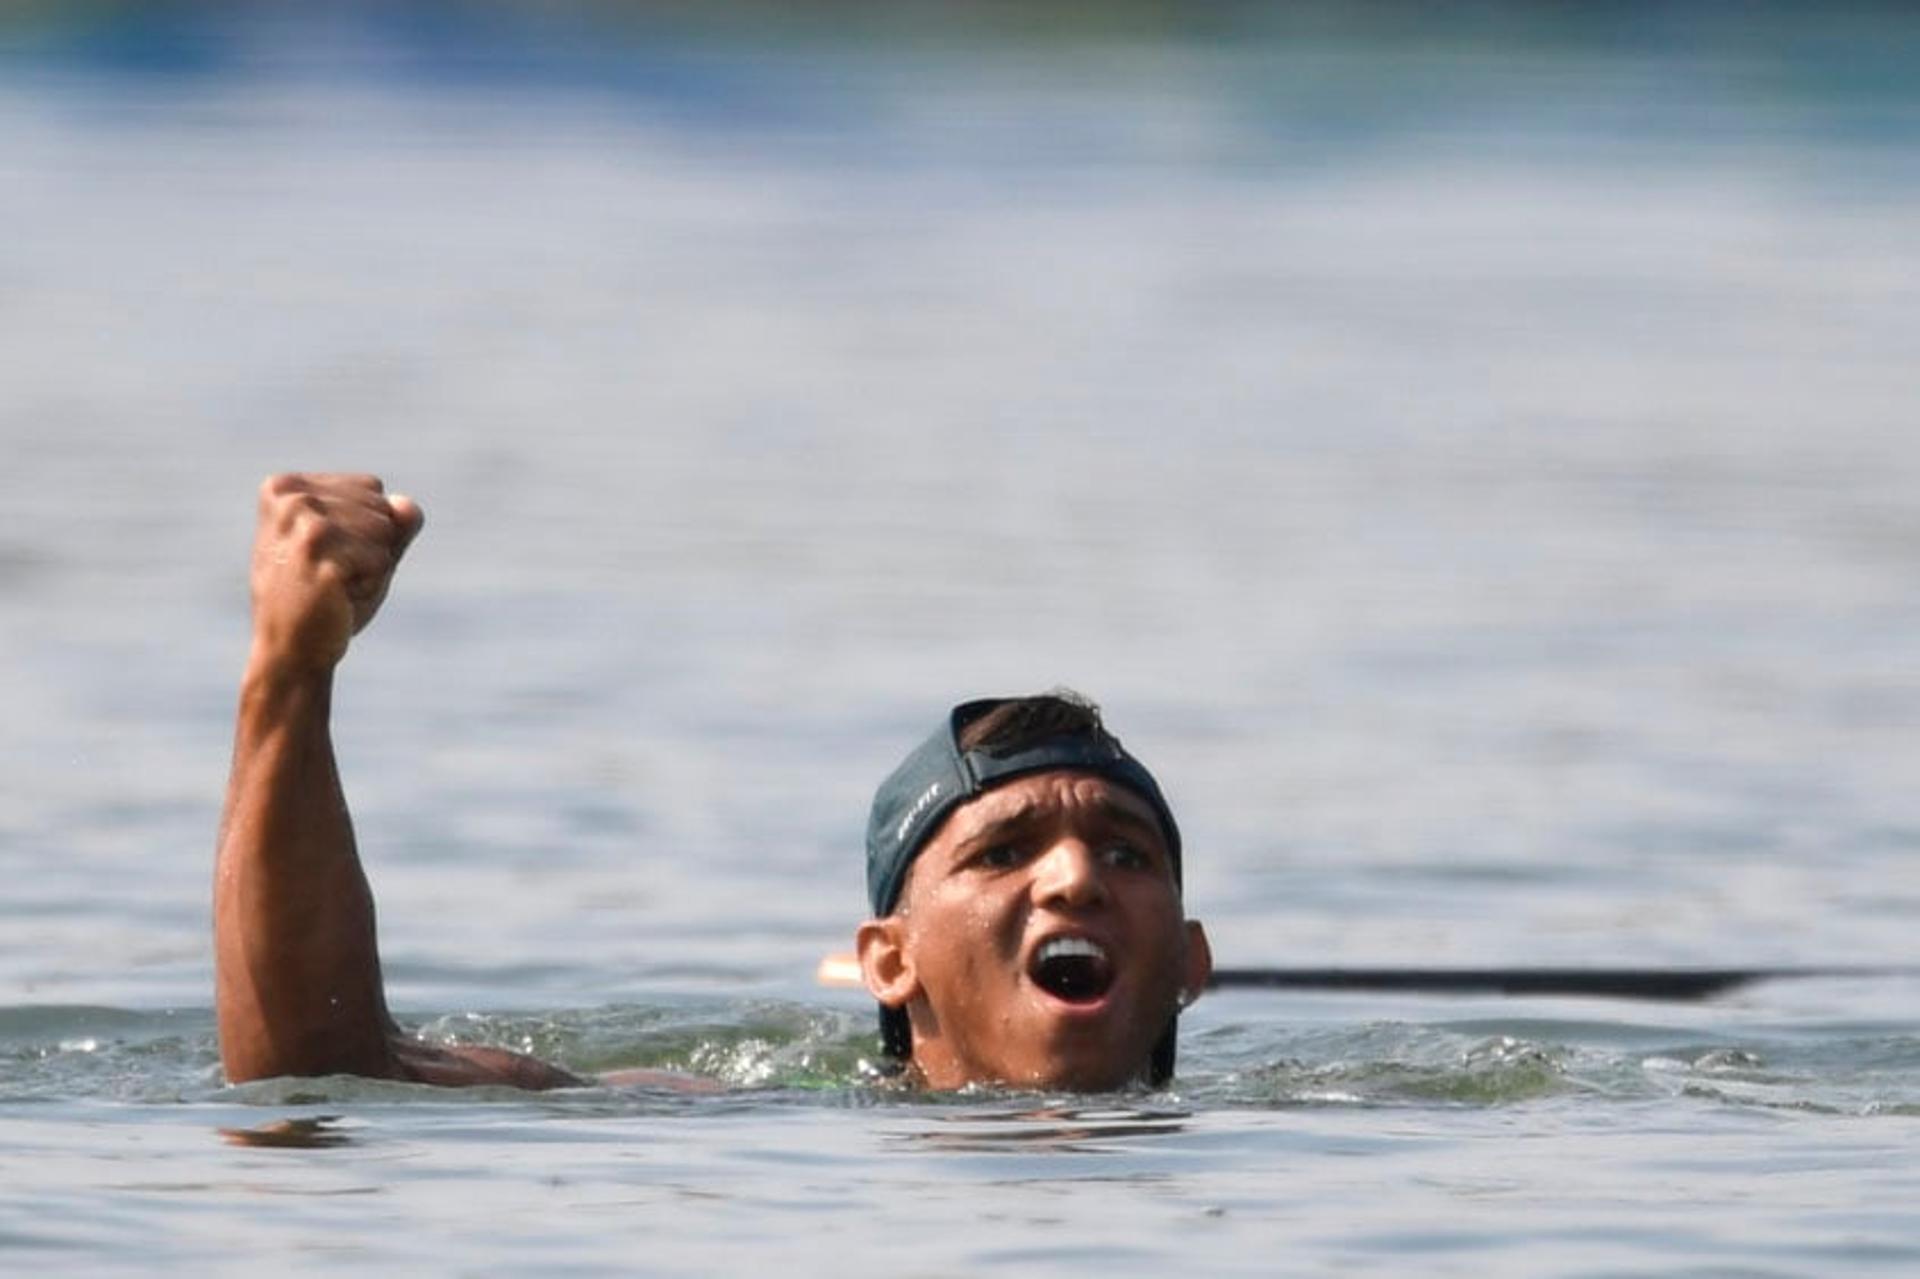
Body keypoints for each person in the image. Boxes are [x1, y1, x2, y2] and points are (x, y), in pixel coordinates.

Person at [215, 473, 1212, 1092]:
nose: (1076, 878)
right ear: (888, 962)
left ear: (1189, 965)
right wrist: (290, 680)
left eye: (1127, 850)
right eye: (1003, 850)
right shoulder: (733, 1121)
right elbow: (317, 1069)